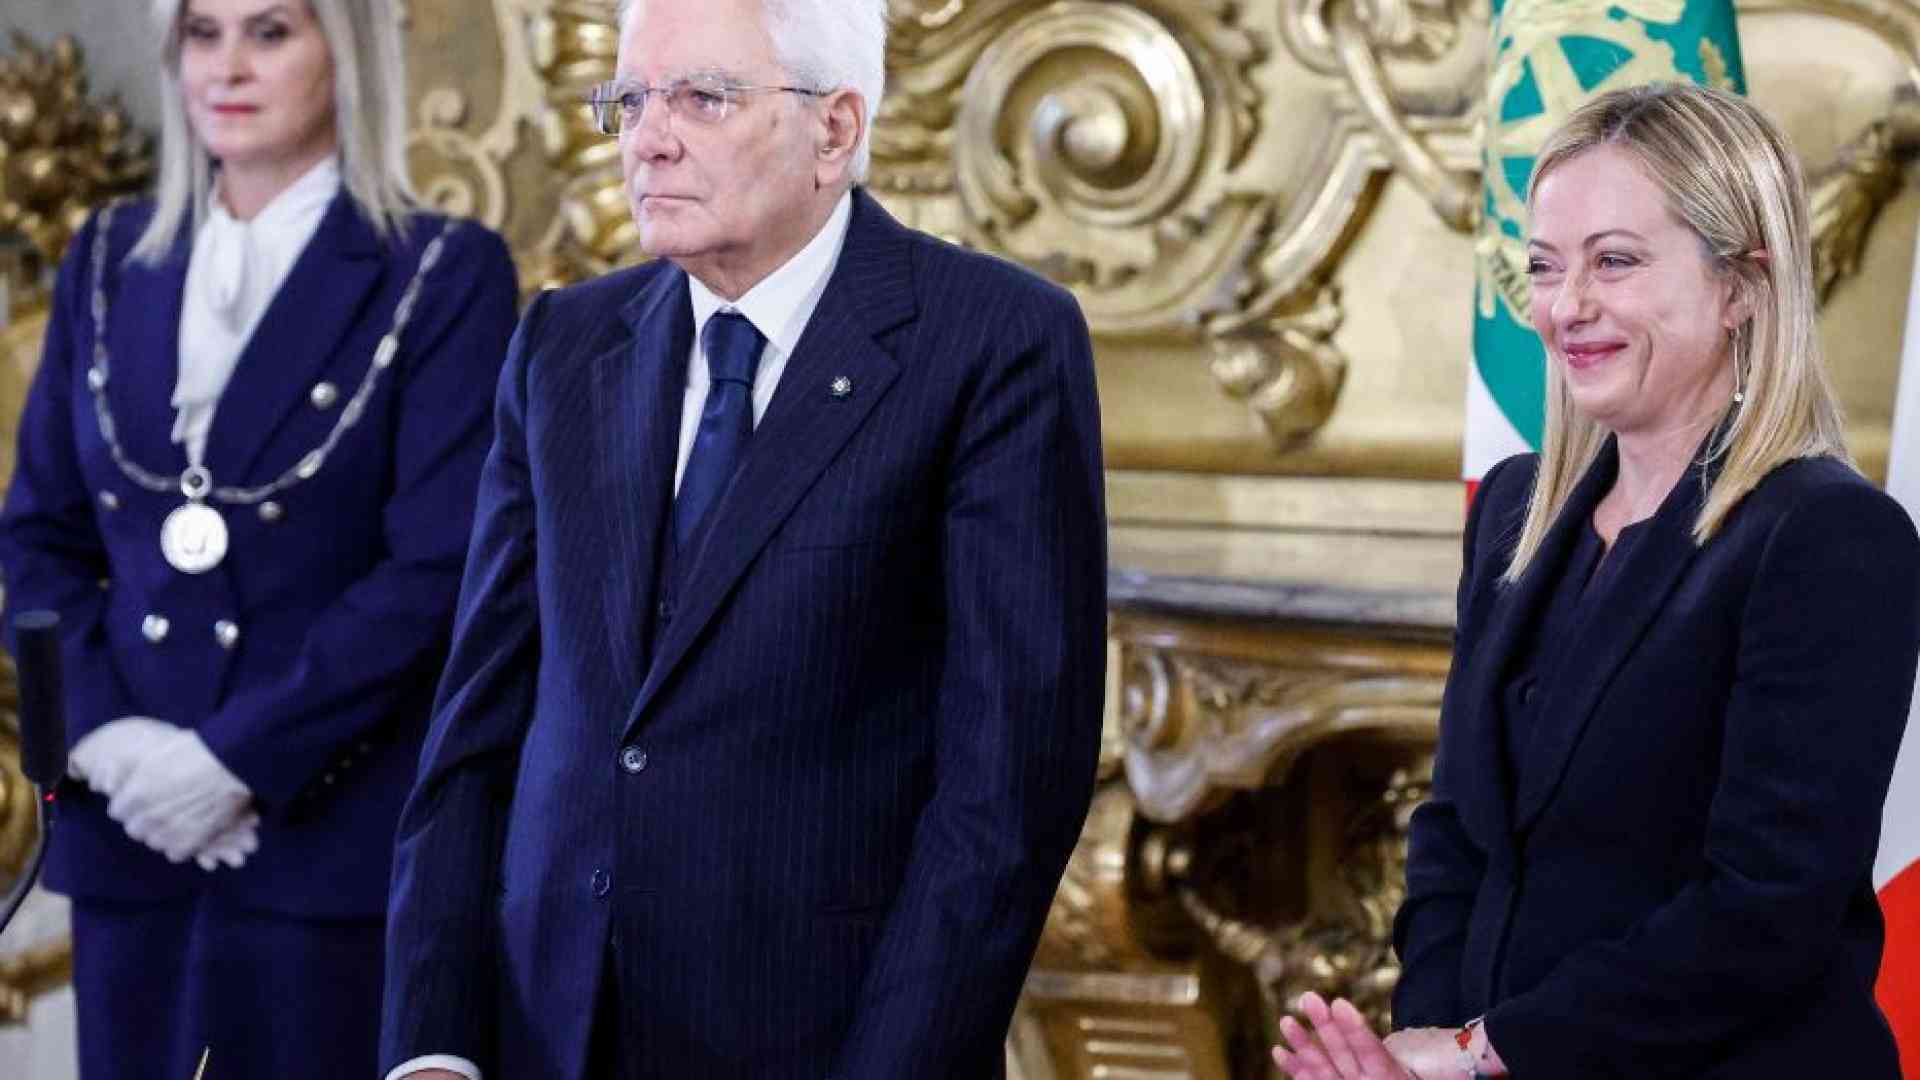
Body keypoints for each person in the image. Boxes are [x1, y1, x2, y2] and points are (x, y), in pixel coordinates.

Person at [377, 0, 1108, 1078]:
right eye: (630, 101)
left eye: (702, 99)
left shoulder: (992, 342)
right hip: (546, 1038)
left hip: (822, 1043)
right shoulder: (562, 346)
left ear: (835, 129)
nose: (648, 139)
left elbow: (1007, 795)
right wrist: (433, 1046)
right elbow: (474, 732)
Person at [1273, 82, 1920, 1079]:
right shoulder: (1513, 510)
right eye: (1544, 266)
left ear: (1743, 285)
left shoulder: (1829, 535)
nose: (1566, 306)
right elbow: (1455, 837)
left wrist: (1480, 1050)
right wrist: (1420, 1052)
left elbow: (1764, 911)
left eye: (1614, 261)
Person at [0, 0, 519, 1075]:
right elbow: (38, 538)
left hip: (324, 848)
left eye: (270, 31)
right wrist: (103, 738)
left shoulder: (442, 269)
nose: (226, 67)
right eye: (203, 33)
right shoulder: (105, 258)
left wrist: (236, 759)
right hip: (128, 843)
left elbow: (438, 568)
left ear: (347, 51)